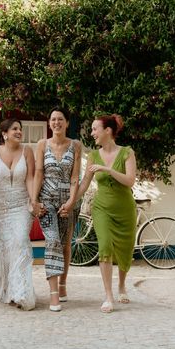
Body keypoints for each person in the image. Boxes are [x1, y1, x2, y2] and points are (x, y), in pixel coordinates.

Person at [61, 114, 137, 313]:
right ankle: (109, 296)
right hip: (102, 208)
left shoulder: (127, 153)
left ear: (108, 131)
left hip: (125, 209)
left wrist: (108, 170)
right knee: (104, 246)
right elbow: (84, 184)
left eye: (95, 129)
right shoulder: (93, 156)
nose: (92, 133)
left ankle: (121, 285)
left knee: (125, 250)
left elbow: (130, 181)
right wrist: (70, 202)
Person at [0, 118, 37, 310]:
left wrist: (34, 200)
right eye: (15, 129)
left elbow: (30, 177)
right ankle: (5, 288)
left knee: (20, 242)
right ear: (4, 133)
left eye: (20, 129)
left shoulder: (27, 151)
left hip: (21, 205)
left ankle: (20, 292)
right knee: (3, 249)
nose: (19, 132)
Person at [33, 107, 81, 312]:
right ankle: (53, 295)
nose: (56, 123)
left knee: (65, 245)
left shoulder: (76, 145)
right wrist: (34, 201)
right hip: (47, 201)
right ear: (49, 122)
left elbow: (74, 177)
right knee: (52, 242)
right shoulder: (42, 144)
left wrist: (71, 202)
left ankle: (62, 285)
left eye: (60, 119)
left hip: (68, 202)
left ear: (67, 123)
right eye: (53, 119)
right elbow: (38, 173)